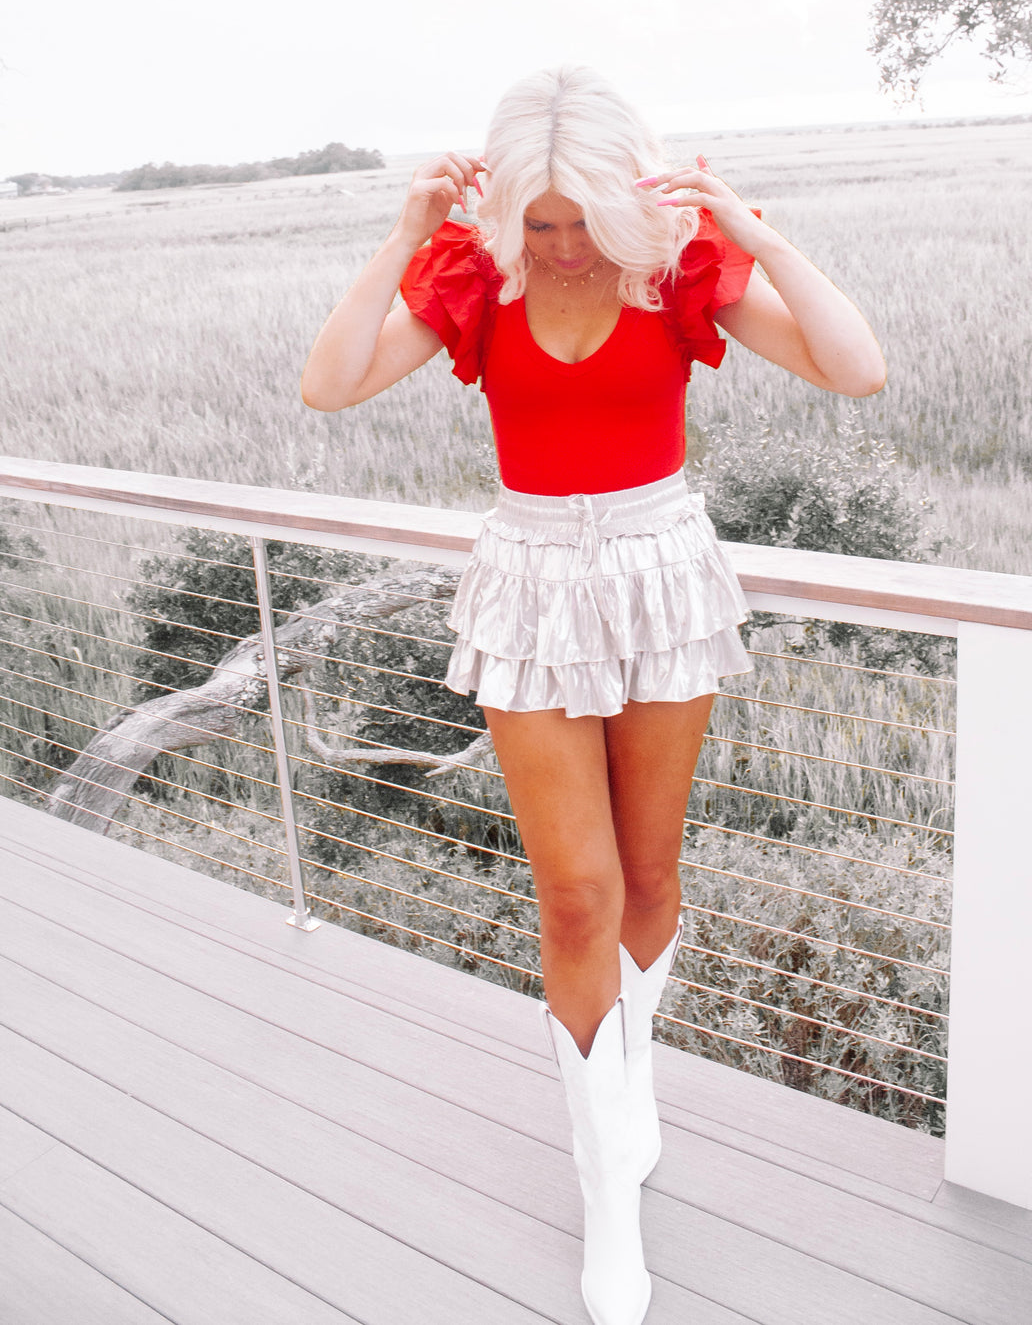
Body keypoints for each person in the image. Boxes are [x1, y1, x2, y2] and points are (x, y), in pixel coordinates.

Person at [301, 64, 886, 1325]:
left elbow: (855, 370)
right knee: (575, 892)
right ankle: (606, 1198)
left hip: (660, 568)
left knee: (651, 876)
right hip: (526, 579)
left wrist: (751, 227)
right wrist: (403, 237)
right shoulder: (476, 274)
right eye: (539, 222)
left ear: (625, 202)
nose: (559, 247)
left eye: (579, 221)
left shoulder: (673, 273)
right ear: (506, 209)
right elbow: (330, 383)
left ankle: (631, 1099)